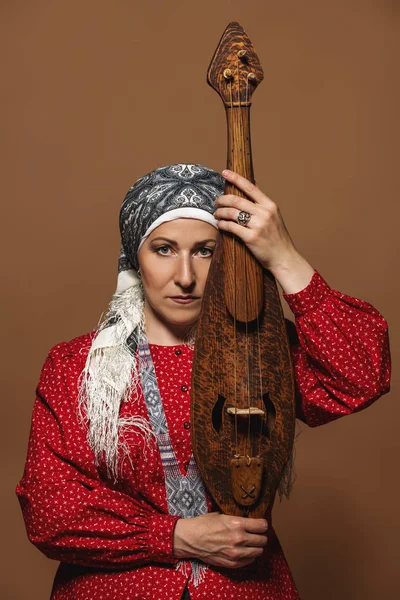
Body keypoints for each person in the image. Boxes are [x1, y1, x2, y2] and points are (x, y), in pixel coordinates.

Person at [17, 164, 391, 600]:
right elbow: (49, 510)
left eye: (206, 251)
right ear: (134, 257)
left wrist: (284, 256)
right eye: (163, 249)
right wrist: (175, 536)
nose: (186, 277)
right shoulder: (77, 366)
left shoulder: (264, 351)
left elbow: (362, 373)